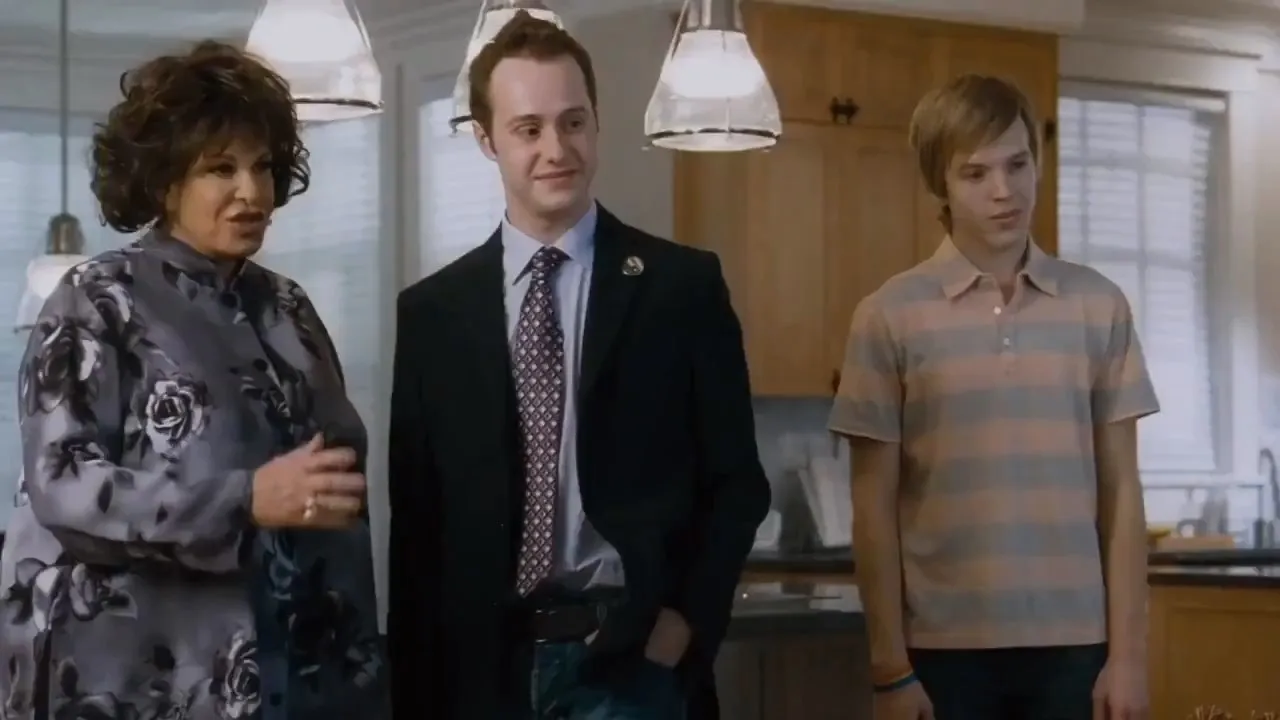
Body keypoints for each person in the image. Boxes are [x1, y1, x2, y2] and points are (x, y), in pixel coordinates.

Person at [387, 12, 771, 720]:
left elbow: (736, 483)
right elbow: (417, 528)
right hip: (484, 674)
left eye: (573, 122)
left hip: (631, 666)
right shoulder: (433, 314)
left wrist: (683, 626)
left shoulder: (680, 287)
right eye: (528, 129)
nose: (556, 149)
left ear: (597, 123)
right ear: (487, 141)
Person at [0, 40, 386, 720]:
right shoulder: (98, 300)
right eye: (220, 168)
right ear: (164, 181)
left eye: (263, 167)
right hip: (141, 682)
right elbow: (64, 486)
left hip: (294, 681)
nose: (252, 192)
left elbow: (336, 504)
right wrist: (245, 500)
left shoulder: (290, 309)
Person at [829, 74, 1157, 720]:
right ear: (941, 185)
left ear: (1039, 162)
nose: (1004, 191)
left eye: (1018, 164)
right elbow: (873, 508)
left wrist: (1128, 658)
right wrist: (890, 669)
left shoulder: (1099, 305)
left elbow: (1122, 492)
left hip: (1077, 647)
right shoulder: (888, 314)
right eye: (976, 173)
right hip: (939, 650)